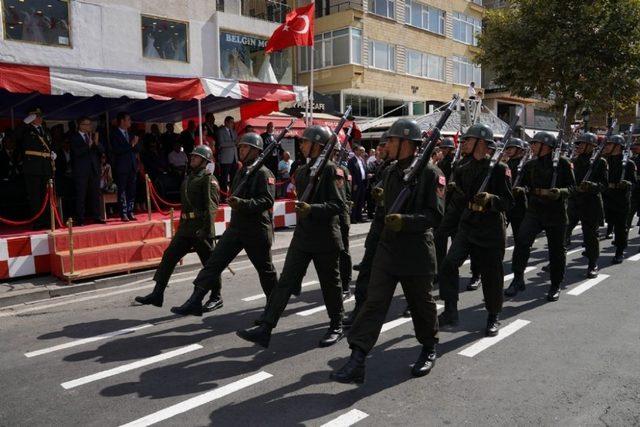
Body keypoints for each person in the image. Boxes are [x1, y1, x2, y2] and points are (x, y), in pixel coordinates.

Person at [331, 119, 444, 383]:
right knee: (374, 302)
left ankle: (429, 348)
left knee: (421, 305)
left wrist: (406, 221)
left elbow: (435, 216)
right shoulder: (392, 172)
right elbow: (383, 214)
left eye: (391, 141)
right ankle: (357, 359)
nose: (386, 146)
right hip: (388, 249)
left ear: (406, 143)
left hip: (416, 251)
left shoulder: (431, 173)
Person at [236, 125, 347, 349]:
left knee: (330, 284)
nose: (302, 145)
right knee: (285, 282)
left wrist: (312, 208)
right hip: (303, 237)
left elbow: (338, 205)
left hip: (325, 237)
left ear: (318, 145)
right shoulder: (304, 171)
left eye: (306, 142)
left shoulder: (332, 170)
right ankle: (266, 328)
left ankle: (336, 325)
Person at [170, 133, 278, 316]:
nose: (241, 150)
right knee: (214, 263)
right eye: (241, 146)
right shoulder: (241, 171)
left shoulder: (263, 173)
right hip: (236, 228)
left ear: (256, 151)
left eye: (245, 147)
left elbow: (267, 201)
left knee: (265, 271)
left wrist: (242, 204)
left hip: (256, 229)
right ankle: (195, 299)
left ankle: (275, 305)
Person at [437, 124, 514, 337]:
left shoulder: (499, 169)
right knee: (448, 265)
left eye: (468, 140)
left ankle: (493, 315)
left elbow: (508, 202)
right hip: (467, 224)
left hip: (490, 229)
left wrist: (491, 200)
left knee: (492, 275)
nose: (464, 144)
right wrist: (443, 229)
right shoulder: (462, 168)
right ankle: (450, 310)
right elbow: (457, 202)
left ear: (481, 142)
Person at [135, 145, 220, 308]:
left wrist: (207, 231)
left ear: (204, 161)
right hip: (186, 227)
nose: (192, 158)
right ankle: (157, 293)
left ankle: (216, 296)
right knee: (169, 256)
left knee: (210, 264)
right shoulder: (189, 177)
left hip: (200, 227)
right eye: (192, 156)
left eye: (196, 157)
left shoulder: (209, 179)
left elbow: (211, 207)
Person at [505, 131, 576, 301]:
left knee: (556, 251)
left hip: (556, 212)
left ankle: (555, 284)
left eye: (535, 144)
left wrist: (560, 192)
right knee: (521, 242)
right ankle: (517, 278)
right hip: (535, 210)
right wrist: (519, 190)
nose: (532, 146)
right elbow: (522, 185)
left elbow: (573, 188)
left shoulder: (563, 164)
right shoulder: (530, 165)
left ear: (546, 146)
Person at [344, 132, 390, 327]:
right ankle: (359, 310)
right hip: (380, 226)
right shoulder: (384, 167)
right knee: (366, 273)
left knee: (414, 284)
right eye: (379, 146)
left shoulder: (415, 169)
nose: (380, 149)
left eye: (385, 145)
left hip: (403, 234)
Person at [564, 133, 608, 277]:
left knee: (590, 236)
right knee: (563, 232)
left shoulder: (600, 162)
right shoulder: (573, 161)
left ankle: (592, 263)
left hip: (591, 203)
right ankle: (556, 260)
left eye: (583, 143)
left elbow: (604, 185)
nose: (579, 146)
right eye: (579, 143)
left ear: (592, 146)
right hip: (574, 202)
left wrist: (591, 186)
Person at [602, 134, 637, 264]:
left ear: (617, 147)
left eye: (609, 144)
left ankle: (619, 251)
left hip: (621, 199)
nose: (606, 147)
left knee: (620, 227)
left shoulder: (628, 163)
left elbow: (634, 183)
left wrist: (627, 184)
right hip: (605, 196)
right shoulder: (603, 161)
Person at [21, 108, 54, 229]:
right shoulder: (26, 130)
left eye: (40, 116)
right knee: (35, 196)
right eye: (36, 116)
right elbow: (14, 137)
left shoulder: (45, 130)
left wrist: (52, 153)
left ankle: (46, 220)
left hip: (45, 167)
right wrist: (24, 123)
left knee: (45, 195)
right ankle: (37, 222)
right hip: (32, 167)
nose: (39, 118)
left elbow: (49, 145)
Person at [71, 116, 105, 225]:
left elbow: (101, 150)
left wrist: (96, 143)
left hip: (94, 169)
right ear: (80, 126)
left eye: (90, 124)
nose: (89, 126)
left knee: (95, 194)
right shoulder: (75, 137)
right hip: (81, 170)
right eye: (87, 124)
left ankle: (96, 216)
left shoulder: (91, 136)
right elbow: (76, 153)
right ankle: (80, 218)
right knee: (81, 195)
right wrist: (88, 146)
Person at [110, 112, 139, 222]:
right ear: (122, 121)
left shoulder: (130, 134)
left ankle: (130, 211)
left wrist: (135, 145)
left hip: (132, 165)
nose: (130, 122)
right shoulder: (114, 134)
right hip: (121, 166)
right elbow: (117, 150)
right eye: (128, 119)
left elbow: (137, 148)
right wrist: (131, 145)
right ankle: (123, 213)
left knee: (132, 190)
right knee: (122, 190)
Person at [334, 149, 353, 301]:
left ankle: (346, 286)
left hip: (340, 216)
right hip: (328, 217)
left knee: (343, 252)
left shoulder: (340, 170)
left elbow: (344, 195)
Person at [503, 138, 529, 237]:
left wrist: (521, 189)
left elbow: (531, 185)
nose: (508, 150)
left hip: (519, 205)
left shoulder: (526, 165)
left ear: (519, 150)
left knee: (520, 236)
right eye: (507, 148)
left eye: (512, 148)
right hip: (507, 204)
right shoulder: (506, 164)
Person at [216, 116, 238, 197]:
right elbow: (221, 144)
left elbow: (236, 143)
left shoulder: (234, 132)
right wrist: (233, 143)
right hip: (225, 159)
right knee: (224, 179)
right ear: (226, 122)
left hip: (234, 158)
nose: (233, 124)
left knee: (234, 178)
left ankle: (233, 195)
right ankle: (223, 196)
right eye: (231, 122)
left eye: (233, 122)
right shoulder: (220, 131)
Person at [348, 146, 368, 223]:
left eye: (363, 151)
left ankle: (359, 216)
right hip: (356, 184)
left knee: (361, 201)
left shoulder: (362, 160)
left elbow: (364, 170)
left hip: (363, 183)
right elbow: (351, 173)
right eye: (360, 150)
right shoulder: (351, 160)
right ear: (356, 151)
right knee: (355, 201)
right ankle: (353, 218)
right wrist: (354, 183)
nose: (362, 152)